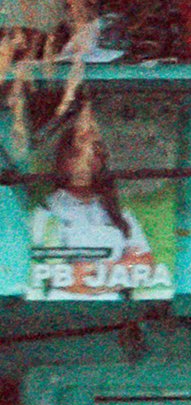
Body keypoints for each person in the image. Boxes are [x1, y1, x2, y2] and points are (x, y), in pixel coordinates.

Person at [27, 113, 164, 297]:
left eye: (94, 155)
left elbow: (146, 265)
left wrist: (94, 272)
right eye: (76, 155)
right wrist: (118, 270)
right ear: (61, 162)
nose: (85, 163)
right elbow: (61, 279)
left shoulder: (119, 215)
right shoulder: (46, 214)